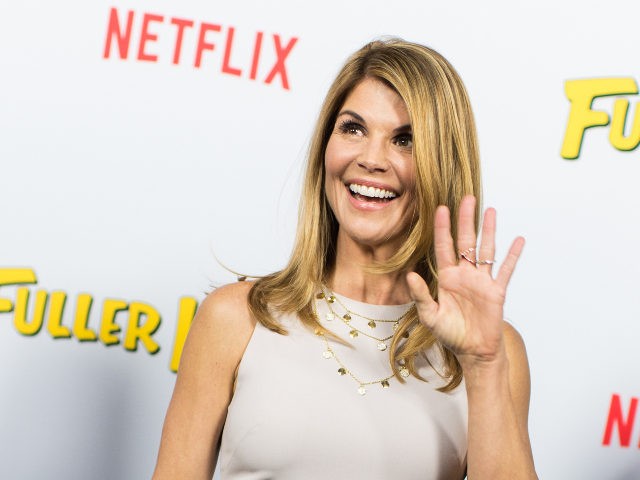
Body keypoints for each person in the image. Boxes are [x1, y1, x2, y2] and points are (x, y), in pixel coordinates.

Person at [152, 38, 538, 480]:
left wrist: (483, 364)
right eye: (353, 128)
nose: (371, 159)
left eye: (405, 140)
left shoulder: (493, 349)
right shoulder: (236, 318)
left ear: (443, 164)